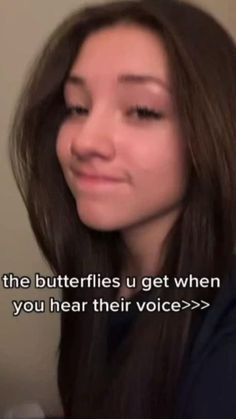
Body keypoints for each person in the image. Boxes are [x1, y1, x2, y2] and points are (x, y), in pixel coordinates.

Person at [8, 0, 236, 418]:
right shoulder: (100, 279)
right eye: (77, 108)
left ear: (215, 127)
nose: (85, 141)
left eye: (142, 110)